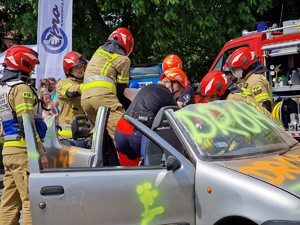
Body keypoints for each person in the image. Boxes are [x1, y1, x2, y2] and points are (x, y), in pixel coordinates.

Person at [0, 45, 48, 225]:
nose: (32, 70)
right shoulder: (22, 89)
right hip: (24, 152)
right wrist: (40, 153)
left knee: (9, 202)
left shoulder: (3, 88)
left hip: (8, 151)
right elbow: (27, 124)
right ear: (23, 64)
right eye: (32, 66)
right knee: (32, 201)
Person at [115, 67, 188, 166]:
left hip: (121, 130)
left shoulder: (148, 88)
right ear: (175, 85)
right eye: (181, 90)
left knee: (128, 174)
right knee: (149, 174)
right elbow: (179, 123)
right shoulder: (168, 96)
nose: (179, 94)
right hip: (139, 132)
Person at [81, 27, 134, 141]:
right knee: (124, 135)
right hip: (103, 98)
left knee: (104, 136)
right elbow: (121, 89)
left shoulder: (98, 51)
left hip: (85, 100)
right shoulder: (123, 59)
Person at [200, 70, 276, 121]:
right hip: (264, 131)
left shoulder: (232, 101)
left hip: (270, 134)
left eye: (212, 96)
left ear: (219, 91)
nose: (211, 100)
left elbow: (225, 126)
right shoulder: (230, 98)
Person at [227, 46, 273, 112]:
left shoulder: (255, 80)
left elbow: (266, 107)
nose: (234, 72)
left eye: (236, 69)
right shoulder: (245, 80)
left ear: (245, 66)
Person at [56, 51, 87, 139]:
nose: (81, 69)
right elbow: (71, 93)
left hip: (86, 131)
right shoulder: (62, 83)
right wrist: (90, 86)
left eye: (82, 66)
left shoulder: (87, 81)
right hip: (67, 134)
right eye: (77, 67)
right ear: (68, 69)